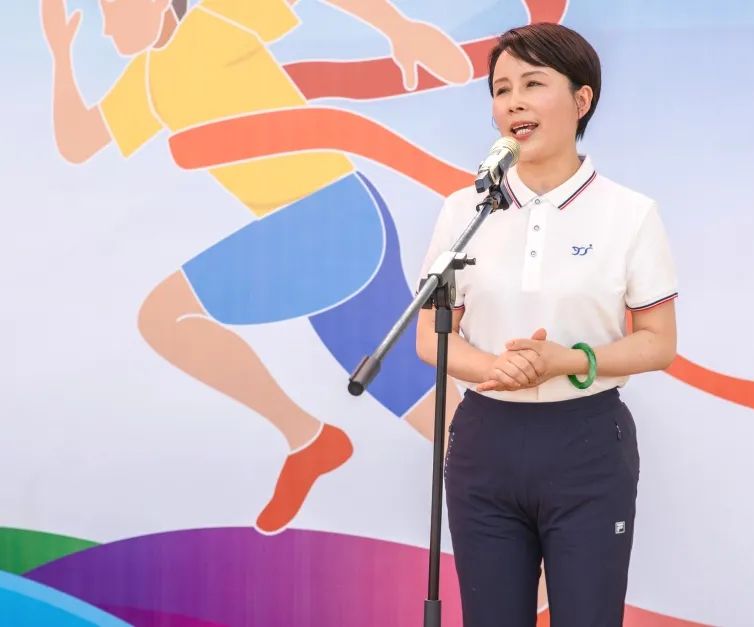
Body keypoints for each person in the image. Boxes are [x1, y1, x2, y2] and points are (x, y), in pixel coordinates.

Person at [40, 0, 472, 534]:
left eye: (113, 10)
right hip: (322, 234)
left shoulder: (218, 20)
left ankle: (306, 436)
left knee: (164, 316)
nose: (106, 27)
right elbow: (79, 141)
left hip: (329, 217)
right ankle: (532, 555)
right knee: (434, 415)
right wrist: (60, 53)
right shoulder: (146, 80)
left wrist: (399, 27)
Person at [416, 23, 679, 627]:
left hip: (587, 443)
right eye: (501, 89)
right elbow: (431, 337)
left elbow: (659, 342)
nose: (513, 102)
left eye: (533, 84)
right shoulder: (464, 211)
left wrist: (570, 360)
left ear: (582, 100)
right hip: (486, 441)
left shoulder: (629, 213)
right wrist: (496, 367)